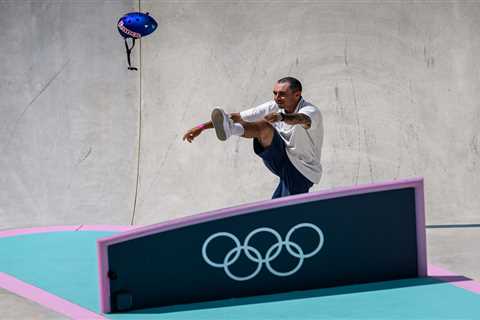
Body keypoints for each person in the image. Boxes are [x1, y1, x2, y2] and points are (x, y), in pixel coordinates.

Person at [182, 77, 323, 199]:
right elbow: (236, 117)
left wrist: (282, 117)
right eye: (275, 93)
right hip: (281, 157)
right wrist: (202, 127)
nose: (277, 98)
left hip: (302, 170)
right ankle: (231, 129)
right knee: (264, 127)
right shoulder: (273, 106)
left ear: (297, 95)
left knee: (280, 213)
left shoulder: (310, 111)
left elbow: (302, 119)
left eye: (282, 94)